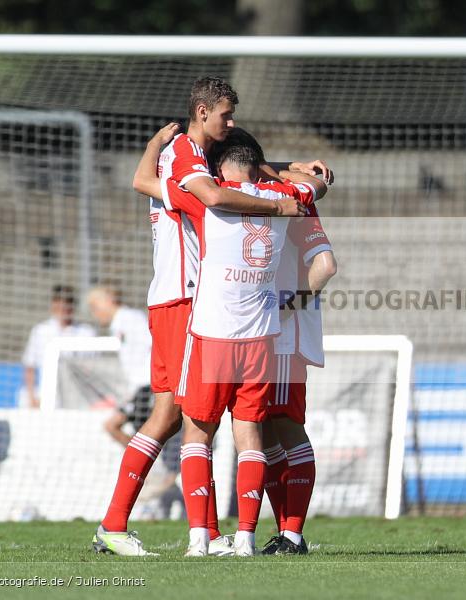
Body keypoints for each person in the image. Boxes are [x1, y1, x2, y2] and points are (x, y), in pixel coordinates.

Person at [93, 76, 318, 557]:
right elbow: (217, 193)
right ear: (202, 113)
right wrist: (281, 197)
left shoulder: (187, 158)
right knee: (177, 416)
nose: (230, 123)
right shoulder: (184, 155)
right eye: (225, 116)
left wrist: (281, 169)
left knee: (191, 420)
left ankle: (205, 535)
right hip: (181, 299)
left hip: (192, 301)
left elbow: (203, 176)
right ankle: (124, 526)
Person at [143, 139, 327, 556]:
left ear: (219, 172)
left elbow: (147, 181)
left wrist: (158, 144)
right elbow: (315, 187)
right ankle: (245, 538)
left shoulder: (209, 201)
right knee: (251, 435)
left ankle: (199, 539)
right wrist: (285, 171)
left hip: (212, 334)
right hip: (262, 336)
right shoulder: (284, 198)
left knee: (197, 433)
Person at [86, 285, 152, 445]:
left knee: (115, 426)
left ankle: (148, 465)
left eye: (95, 307)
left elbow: (152, 344)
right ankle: (148, 465)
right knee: (137, 432)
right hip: (138, 388)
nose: (94, 313)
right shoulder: (118, 323)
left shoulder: (130, 318)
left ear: (108, 301)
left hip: (146, 386)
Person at [22, 284, 95, 409]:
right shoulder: (41, 331)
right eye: (59, 302)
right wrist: (32, 397)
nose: (63, 307)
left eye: (67, 303)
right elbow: (30, 366)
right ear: (53, 304)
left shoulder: (86, 332)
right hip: (48, 396)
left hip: (77, 397)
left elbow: (93, 368)